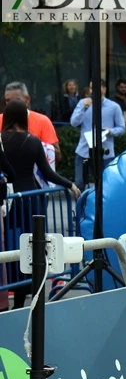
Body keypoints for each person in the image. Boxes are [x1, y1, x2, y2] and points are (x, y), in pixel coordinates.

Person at [0, 101, 80, 309]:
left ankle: (9, 289)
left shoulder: (0, 141)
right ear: (23, 118)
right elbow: (47, 172)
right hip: (31, 199)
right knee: (31, 246)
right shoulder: (33, 142)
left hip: (7, 201)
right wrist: (69, 184)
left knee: (9, 247)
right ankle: (29, 294)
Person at [69, 81, 126, 190]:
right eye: (91, 88)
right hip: (84, 151)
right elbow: (73, 123)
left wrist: (110, 131)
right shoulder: (83, 103)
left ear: (104, 89)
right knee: (79, 184)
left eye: (95, 87)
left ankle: (102, 207)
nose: (92, 91)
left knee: (104, 185)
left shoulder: (114, 107)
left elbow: (122, 128)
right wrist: (84, 108)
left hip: (104, 153)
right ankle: (81, 207)